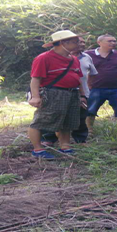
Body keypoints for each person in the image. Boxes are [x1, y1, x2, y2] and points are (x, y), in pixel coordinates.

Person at [28, 30, 88, 159]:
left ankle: (65, 146)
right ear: (62, 42)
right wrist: (35, 96)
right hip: (53, 93)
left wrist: (82, 95)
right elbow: (35, 79)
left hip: (72, 93)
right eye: (75, 42)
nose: (79, 44)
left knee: (67, 120)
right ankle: (38, 149)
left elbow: (79, 79)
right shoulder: (44, 58)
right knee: (41, 121)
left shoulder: (74, 59)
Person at [40, 36, 97, 144]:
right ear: (64, 43)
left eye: (82, 42)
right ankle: (48, 139)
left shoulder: (85, 57)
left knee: (79, 118)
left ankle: (79, 140)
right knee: (53, 116)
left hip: (79, 92)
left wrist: (85, 90)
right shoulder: (46, 57)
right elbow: (37, 78)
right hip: (55, 92)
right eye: (78, 42)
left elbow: (86, 75)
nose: (81, 44)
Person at [85, 34, 117, 131]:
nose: (113, 43)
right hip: (95, 87)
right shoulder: (88, 55)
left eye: (114, 41)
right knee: (90, 110)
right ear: (99, 42)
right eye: (109, 41)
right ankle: (89, 131)